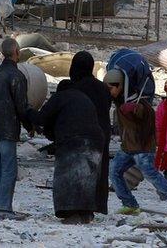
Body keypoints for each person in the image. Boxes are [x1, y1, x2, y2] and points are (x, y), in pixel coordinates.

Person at [104, 69, 167, 218]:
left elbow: (146, 115)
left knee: (151, 175)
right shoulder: (120, 102)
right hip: (128, 147)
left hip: (142, 147)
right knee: (114, 171)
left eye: (110, 88)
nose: (109, 92)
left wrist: (135, 111)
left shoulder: (138, 102)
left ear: (119, 86)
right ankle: (129, 204)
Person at [26, 79, 105, 224]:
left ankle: (72, 213)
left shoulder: (60, 97)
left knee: (69, 178)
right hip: (96, 141)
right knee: (86, 179)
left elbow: (42, 118)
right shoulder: (83, 98)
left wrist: (28, 110)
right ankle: (85, 214)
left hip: (75, 142)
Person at [0, 38, 33, 220]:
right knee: (9, 168)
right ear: (17, 52)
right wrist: (30, 125)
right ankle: (3, 208)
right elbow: (22, 106)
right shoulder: (17, 76)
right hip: (6, 128)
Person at [68, 51, 111, 215]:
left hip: (83, 134)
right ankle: (100, 206)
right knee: (101, 171)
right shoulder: (102, 88)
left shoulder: (76, 88)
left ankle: (84, 208)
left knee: (83, 171)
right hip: (102, 133)